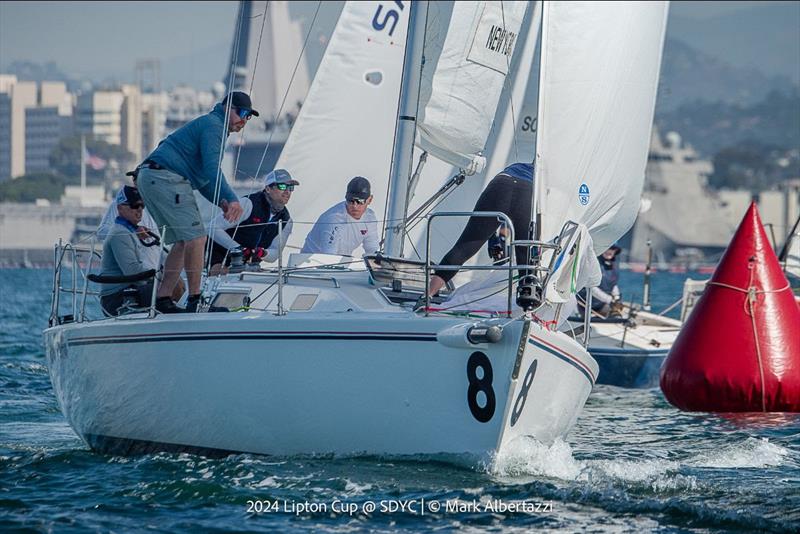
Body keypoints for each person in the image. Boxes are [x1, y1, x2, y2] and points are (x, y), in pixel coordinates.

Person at [136, 91, 254, 313]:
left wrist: (221, 201)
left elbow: (204, 180)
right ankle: (196, 300)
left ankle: (163, 299)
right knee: (197, 237)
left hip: (151, 177)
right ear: (228, 108)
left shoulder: (213, 126)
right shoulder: (214, 125)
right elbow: (212, 169)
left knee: (183, 241)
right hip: (165, 177)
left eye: (249, 117)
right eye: (243, 113)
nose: (244, 121)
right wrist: (232, 199)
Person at [428, 162, 533, 295]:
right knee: (525, 254)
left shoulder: (517, 165)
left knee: (464, 247)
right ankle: (528, 307)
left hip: (501, 183)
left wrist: (494, 237)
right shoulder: (547, 177)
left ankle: (427, 295)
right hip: (529, 190)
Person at [208, 168, 297, 273]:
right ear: (268, 189)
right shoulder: (248, 204)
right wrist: (238, 248)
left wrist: (262, 253)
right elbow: (212, 228)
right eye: (282, 186)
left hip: (249, 265)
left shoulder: (286, 221)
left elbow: (275, 254)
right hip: (219, 257)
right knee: (222, 272)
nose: (287, 192)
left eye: (290, 188)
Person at [98, 187, 156, 316]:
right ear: (120, 208)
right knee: (168, 288)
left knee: (170, 287)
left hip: (126, 291)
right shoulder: (120, 233)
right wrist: (160, 275)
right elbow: (133, 271)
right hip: (117, 298)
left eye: (142, 206)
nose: (139, 211)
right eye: (134, 206)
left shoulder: (127, 231)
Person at [301, 176, 379, 256]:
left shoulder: (370, 218)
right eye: (350, 200)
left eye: (360, 201)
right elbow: (329, 256)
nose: (355, 206)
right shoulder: (333, 219)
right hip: (311, 263)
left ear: (370, 200)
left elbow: (372, 250)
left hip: (337, 261)